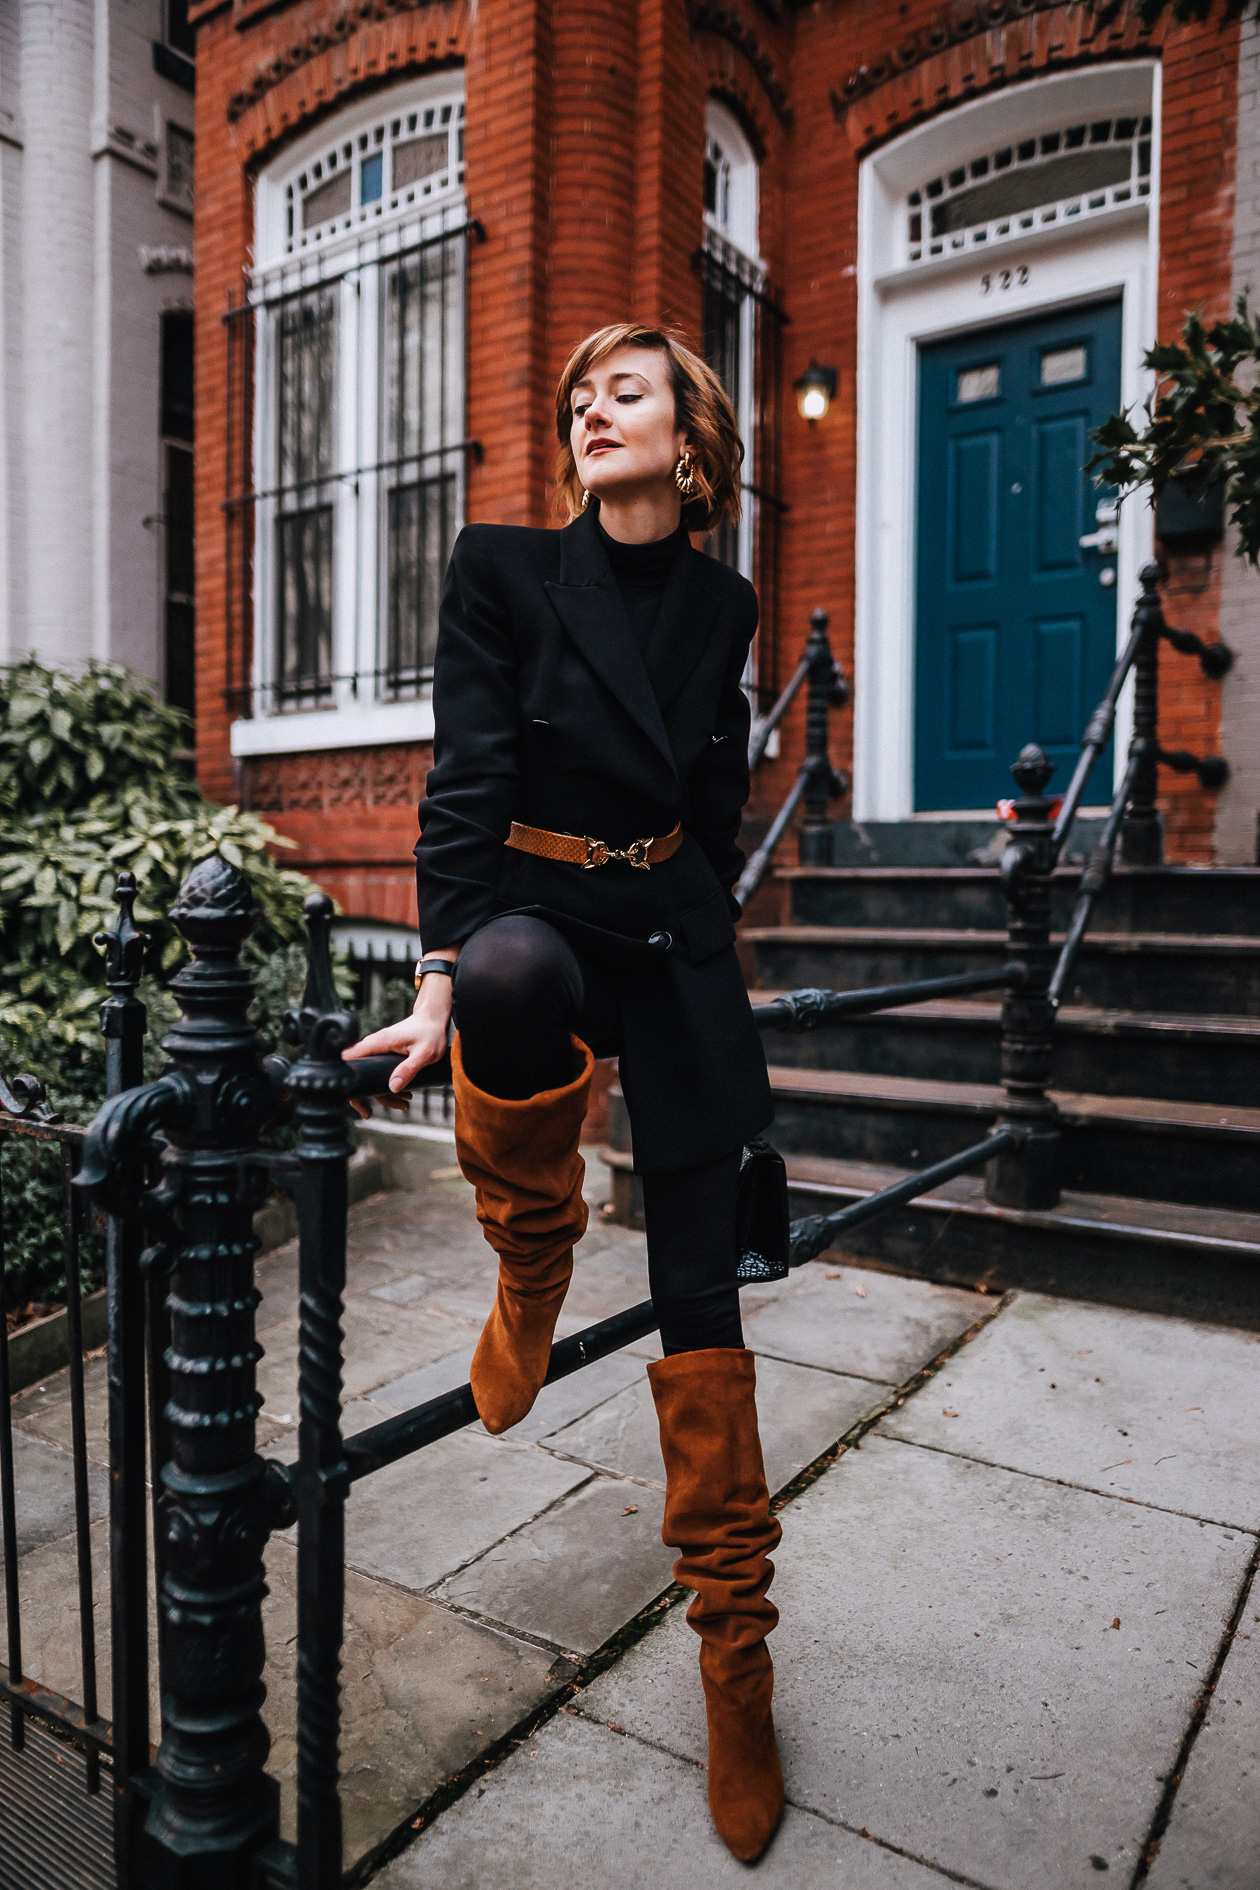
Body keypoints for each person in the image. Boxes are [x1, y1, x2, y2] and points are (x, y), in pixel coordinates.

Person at [345, 322, 783, 1863]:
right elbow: (467, 772)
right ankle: (530, 1262)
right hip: (540, 918)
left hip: (666, 945)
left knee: (702, 1310)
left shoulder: (725, 604)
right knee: (518, 976)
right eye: (582, 394)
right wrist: (437, 971)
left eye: (632, 389)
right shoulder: (506, 572)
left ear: (691, 438)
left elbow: (715, 812)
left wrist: (721, 983)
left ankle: (738, 1661)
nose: (597, 406)